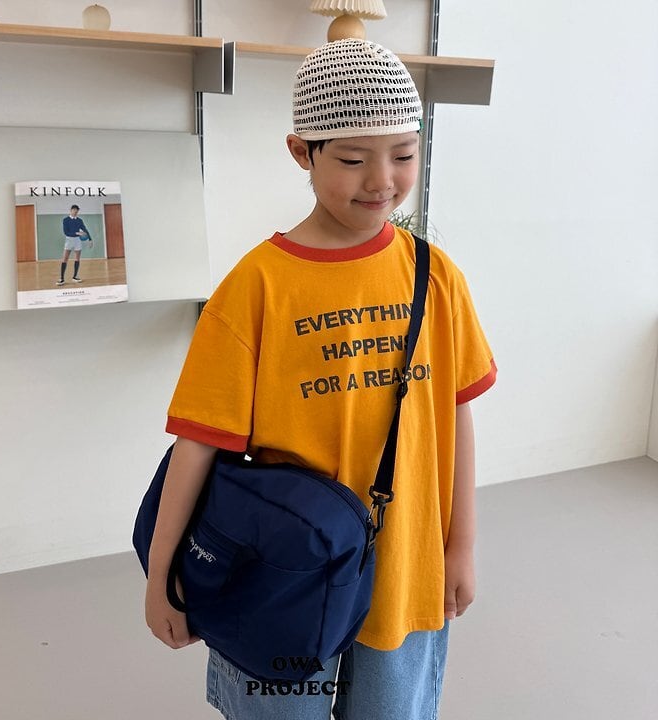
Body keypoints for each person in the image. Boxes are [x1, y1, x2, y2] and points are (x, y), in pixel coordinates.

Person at [144, 39, 497, 720]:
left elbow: (457, 416)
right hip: (282, 573)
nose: (382, 181)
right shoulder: (257, 286)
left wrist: (461, 547)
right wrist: (163, 575)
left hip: (404, 566)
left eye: (404, 155)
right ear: (301, 152)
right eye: (354, 159)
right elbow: (198, 443)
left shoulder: (435, 276)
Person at [57, 204, 91, 285]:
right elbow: (66, 232)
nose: (75, 212)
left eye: (77, 211)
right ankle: (62, 279)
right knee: (65, 259)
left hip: (77, 241)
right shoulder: (66, 220)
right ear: (71, 210)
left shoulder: (79, 220)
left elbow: (85, 229)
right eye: (74, 211)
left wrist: (90, 239)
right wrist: (77, 233)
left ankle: (75, 277)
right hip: (69, 240)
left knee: (77, 259)